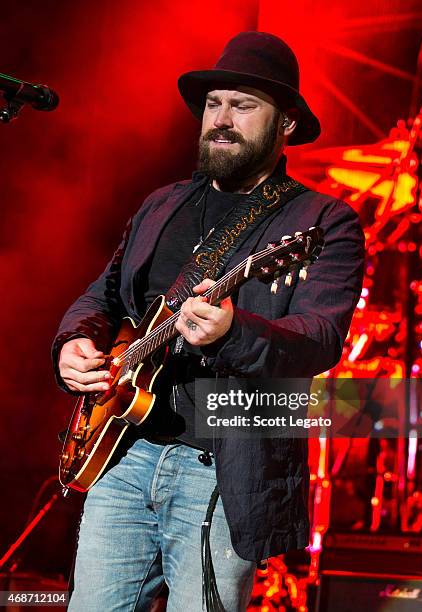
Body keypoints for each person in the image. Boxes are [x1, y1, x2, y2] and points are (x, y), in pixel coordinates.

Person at [53, 31, 364, 611]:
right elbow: (103, 297)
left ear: (286, 124)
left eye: (243, 106)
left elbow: (319, 340)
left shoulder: (322, 221)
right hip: (123, 455)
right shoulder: (162, 203)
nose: (221, 119)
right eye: (213, 104)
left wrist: (233, 333)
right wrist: (72, 344)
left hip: (219, 468)